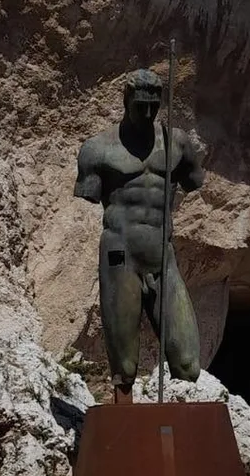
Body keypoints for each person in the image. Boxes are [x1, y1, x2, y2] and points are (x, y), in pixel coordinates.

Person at [74, 68, 203, 402]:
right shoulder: (97, 149)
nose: (147, 114)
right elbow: (89, 193)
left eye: (153, 106)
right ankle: (124, 430)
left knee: (188, 363)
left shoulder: (177, 143)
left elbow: (194, 180)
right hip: (121, 256)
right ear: (125, 101)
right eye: (140, 106)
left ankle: (181, 438)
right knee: (125, 368)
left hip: (163, 257)